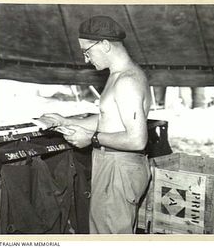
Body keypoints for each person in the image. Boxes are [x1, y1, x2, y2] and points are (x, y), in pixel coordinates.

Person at [39, 16, 152, 234]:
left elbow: (137, 140)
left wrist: (90, 139)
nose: (85, 59)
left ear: (105, 45)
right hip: (111, 163)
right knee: (102, 231)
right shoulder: (117, 75)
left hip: (118, 166)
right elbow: (107, 119)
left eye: (87, 51)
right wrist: (65, 121)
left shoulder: (127, 80)